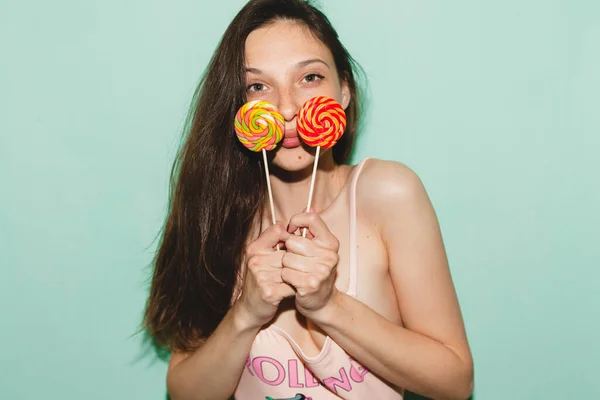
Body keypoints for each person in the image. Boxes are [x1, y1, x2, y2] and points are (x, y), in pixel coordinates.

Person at [142, 0, 474, 399]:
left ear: (345, 90)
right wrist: (246, 314)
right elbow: (184, 392)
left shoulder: (389, 194)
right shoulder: (216, 212)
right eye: (258, 86)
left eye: (310, 77)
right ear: (238, 106)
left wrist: (328, 305)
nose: (286, 107)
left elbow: (454, 382)